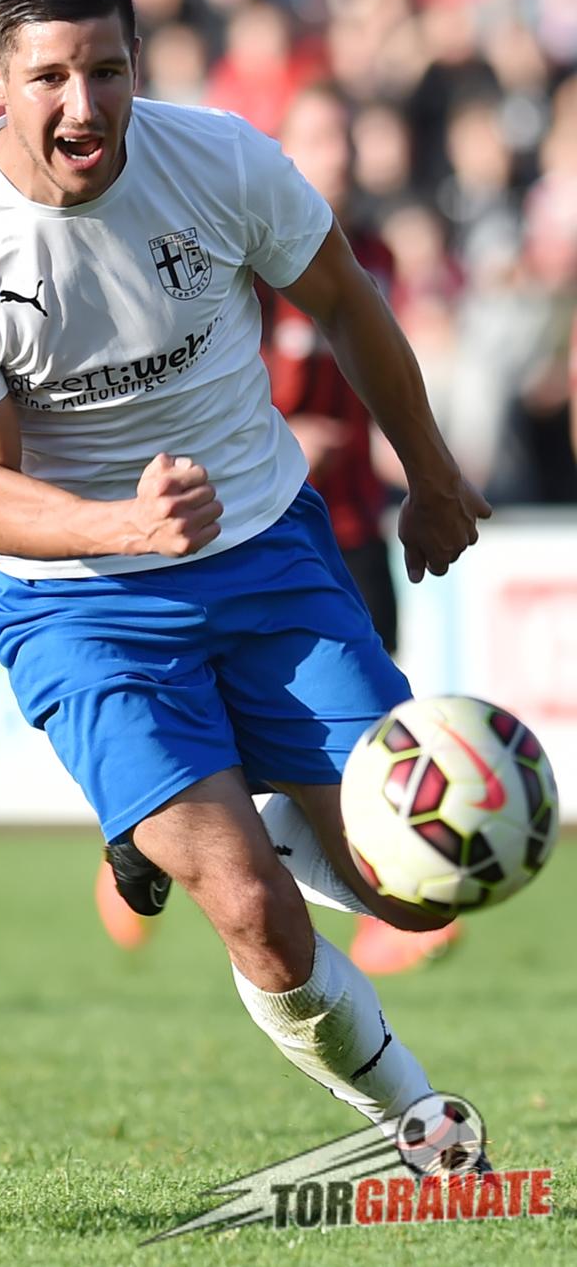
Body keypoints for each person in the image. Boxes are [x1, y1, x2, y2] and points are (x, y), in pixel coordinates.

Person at [0, 0, 490, 1155]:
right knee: (252, 911)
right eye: (49, 77)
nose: (83, 106)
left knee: (417, 889)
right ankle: (416, 1126)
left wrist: (429, 473)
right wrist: (124, 525)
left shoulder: (219, 160)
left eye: (107, 71)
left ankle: (222, 818)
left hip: (267, 554)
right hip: (80, 603)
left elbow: (348, 303)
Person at [93, 83, 463, 973]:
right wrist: (283, 429)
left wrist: (423, 465)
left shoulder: (369, 249)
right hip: (246, 519)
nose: (341, 154)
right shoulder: (240, 243)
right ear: (285, 149)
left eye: (348, 136)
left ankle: (376, 902)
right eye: (321, 137)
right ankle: (148, 831)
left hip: (351, 516)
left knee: (358, 724)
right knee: (232, 715)